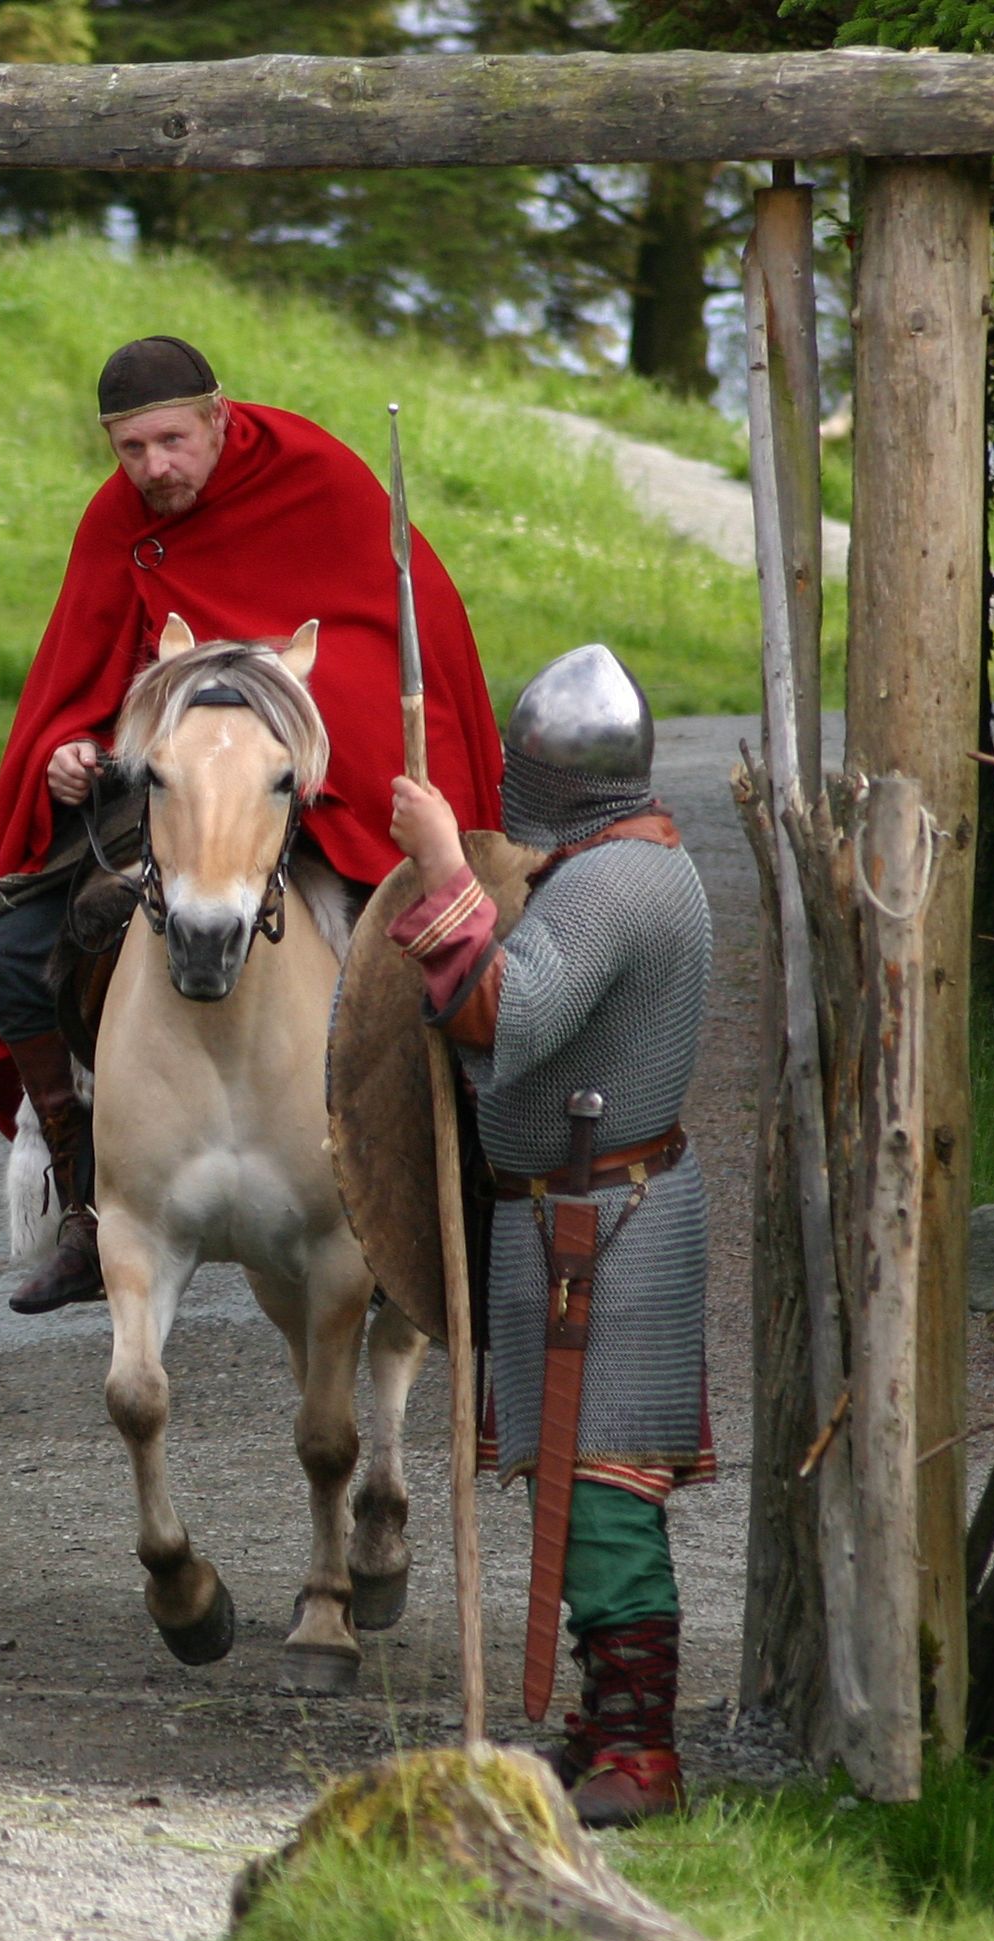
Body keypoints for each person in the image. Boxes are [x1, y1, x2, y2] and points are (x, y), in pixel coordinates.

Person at [0, 335, 504, 1313]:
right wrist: (75, 751)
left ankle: (438, 1188)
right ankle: (88, 1201)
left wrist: (295, 741)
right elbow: (85, 673)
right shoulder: (117, 520)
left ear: (219, 416)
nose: (153, 468)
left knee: (419, 960)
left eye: (171, 441)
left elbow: (377, 646)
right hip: (169, 782)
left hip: (315, 781)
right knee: (12, 953)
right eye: (131, 449)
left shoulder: (317, 478)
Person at [381, 645, 710, 1828]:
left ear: (552, 779)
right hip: (576, 1216)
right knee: (572, 1484)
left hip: (604, 1226)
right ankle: (604, 1721)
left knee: (607, 1487)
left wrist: (440, 866)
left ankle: (642, 1750)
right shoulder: (612, 862)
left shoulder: (614, 884)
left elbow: (503, 1014)